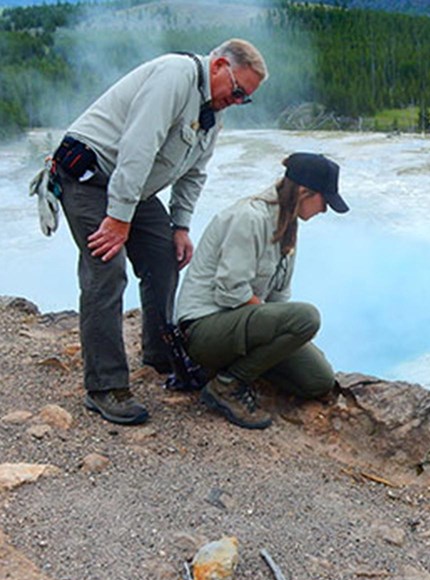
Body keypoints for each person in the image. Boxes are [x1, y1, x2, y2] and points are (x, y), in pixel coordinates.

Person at [50, 39, 268, 426]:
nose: (236, 101)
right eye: (237, 91)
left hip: (134, 187)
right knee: (107, 266)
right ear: (218, 65)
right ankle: (105, 387)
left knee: (164, 257)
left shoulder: (212, 111)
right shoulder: (175, 75)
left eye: (244, 99)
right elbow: (138, 145)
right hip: (89, 174)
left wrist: (180, 225)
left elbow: (194, 172)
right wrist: (118, 218)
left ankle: (160, 353)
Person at [175, 152, 349, 430]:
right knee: (307, 317)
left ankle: (236, 369)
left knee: (318, 380)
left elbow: (279, 297)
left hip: (240, 326)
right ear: (305, 192)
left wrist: (287, 335)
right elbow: (230, 292)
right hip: (205, 328)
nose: (324, 209)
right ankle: (227, 385)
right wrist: (285, 327)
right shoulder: (250, 217)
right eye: (324, 201)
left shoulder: (287, 224)